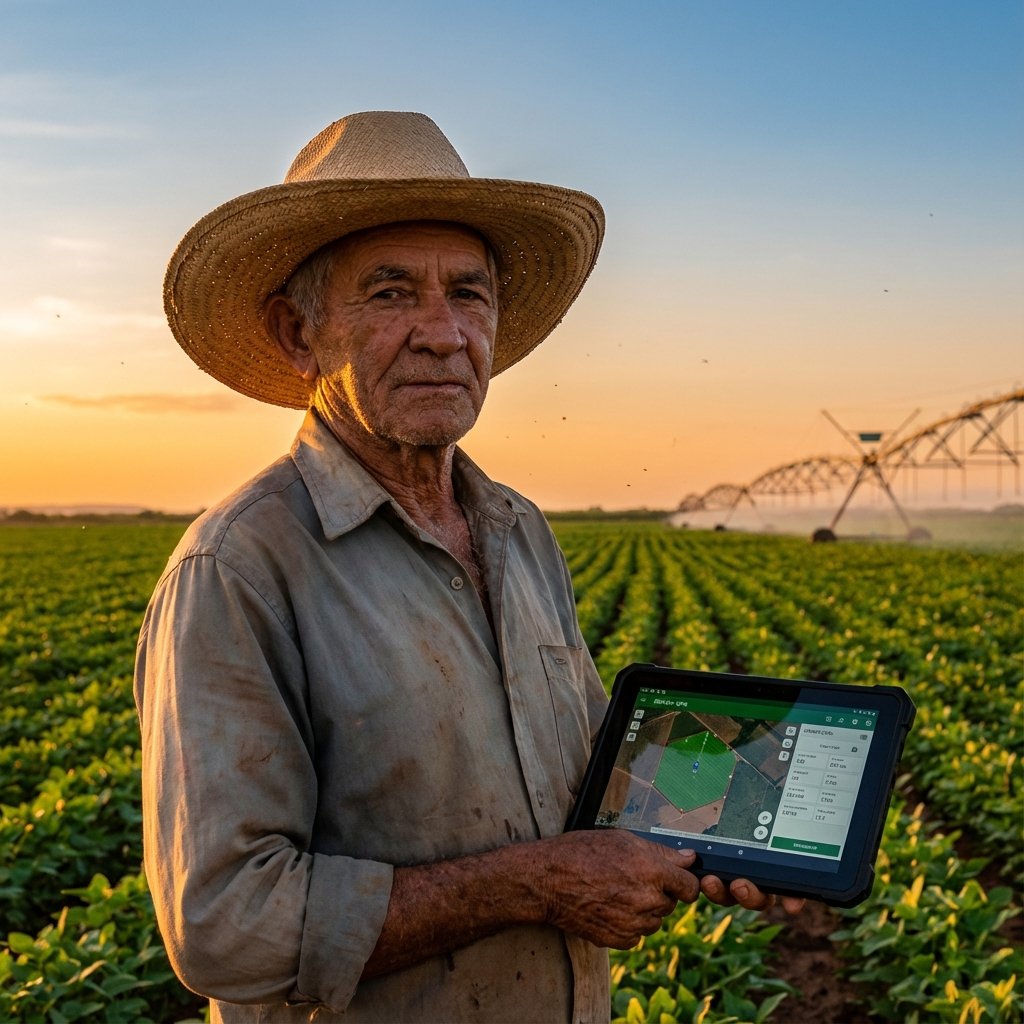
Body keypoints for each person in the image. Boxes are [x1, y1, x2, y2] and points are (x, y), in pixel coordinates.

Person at [135, 110, 802, 1024]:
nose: (443, 333)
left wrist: (747, 825)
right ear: (300, 335)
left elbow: (593, 781)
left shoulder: (519, 529)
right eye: (390, 293)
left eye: (470, 294)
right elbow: (223, 926)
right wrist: (532, 884)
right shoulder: (238, 567)